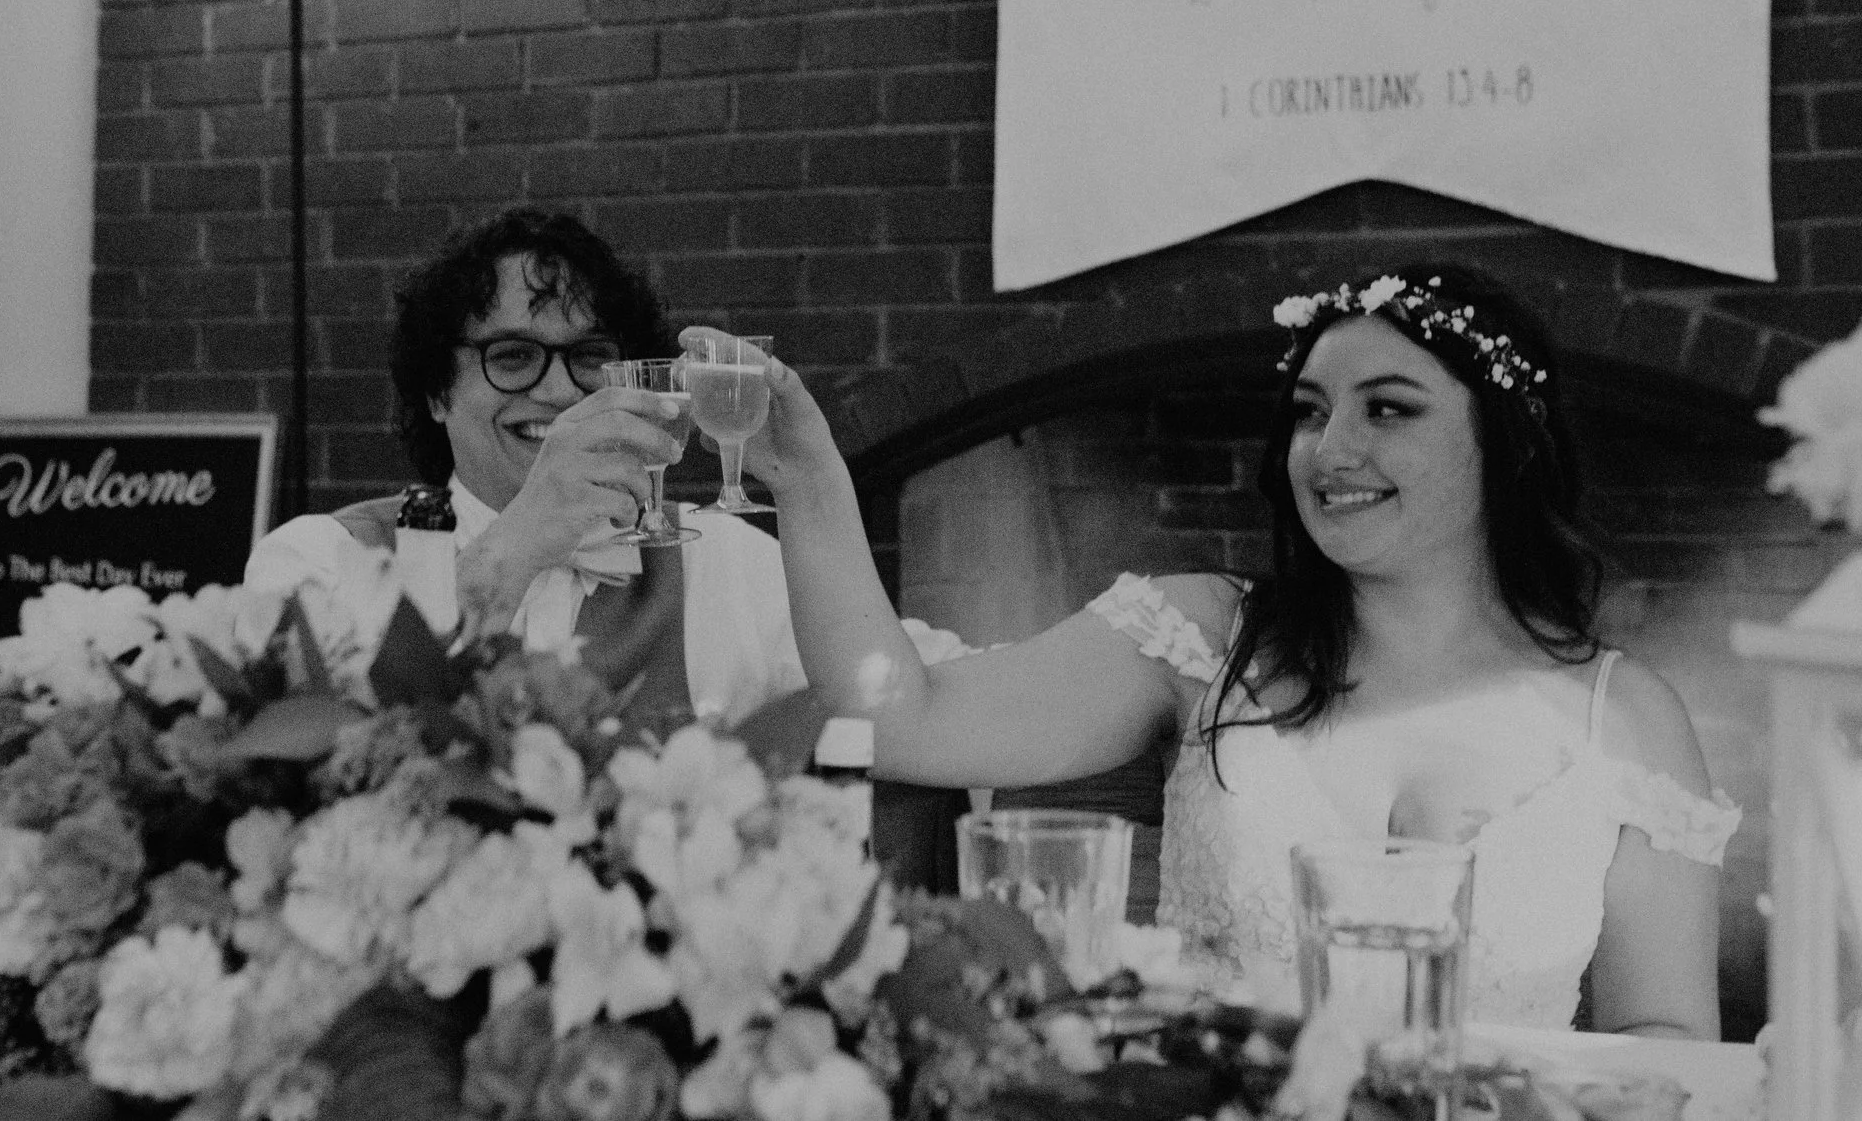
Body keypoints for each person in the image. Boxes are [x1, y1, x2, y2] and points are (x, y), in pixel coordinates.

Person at [712, 264, 1739, 1038]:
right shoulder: (1200, 635)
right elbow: (897, 717)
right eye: (1308, 411)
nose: (1329, 450)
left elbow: (1667, 1040)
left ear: (1506, 444)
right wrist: (809, 482)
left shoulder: (1628, 720)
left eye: (1388, 407)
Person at [244, 208, 806, 728]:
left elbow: (877, 732)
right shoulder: (316, 561)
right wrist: (518, 543)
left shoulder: (730, 562)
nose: (561, 390)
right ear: (438, 393)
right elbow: (323, 770)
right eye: (512, 356)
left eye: (590, 357)